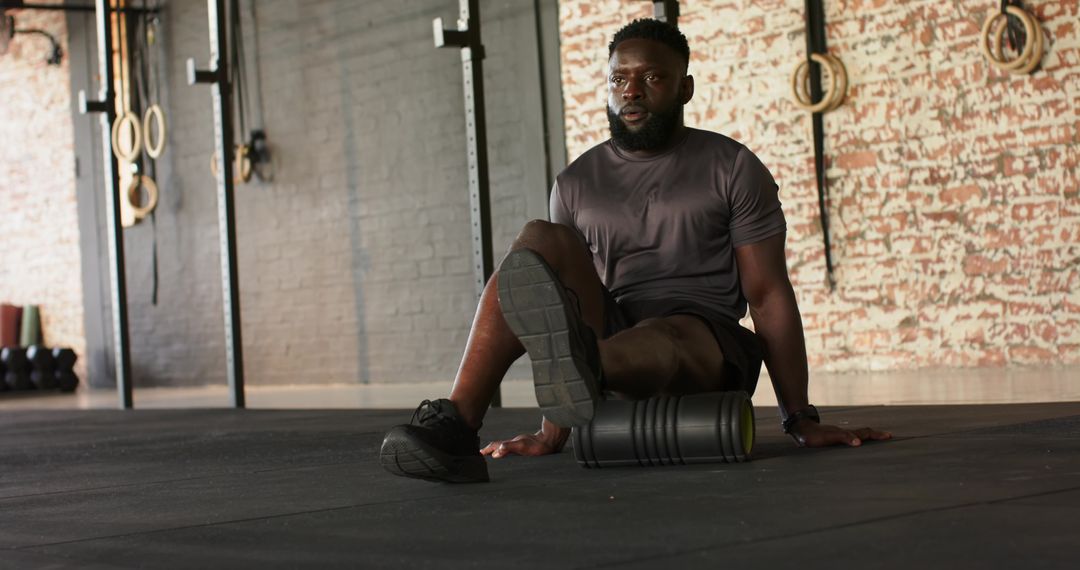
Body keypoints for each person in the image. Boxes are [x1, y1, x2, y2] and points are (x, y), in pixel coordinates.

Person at [380, 18, 891, 483]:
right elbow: (555, 306)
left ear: (684, 87)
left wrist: (799, 418)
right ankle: (457, 423)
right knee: (539, 240)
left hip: (704, 340)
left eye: (651, 78)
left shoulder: (733, 167)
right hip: (611, 329)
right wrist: (552, 434)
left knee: (662, 331)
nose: (632, 92)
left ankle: (586, 370)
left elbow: (768, 295)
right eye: (619, 79)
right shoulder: (576, 182)